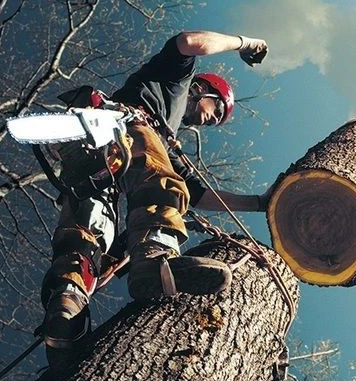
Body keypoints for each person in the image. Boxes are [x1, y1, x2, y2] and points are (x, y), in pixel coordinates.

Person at [40, 30, 269, 362]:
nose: (211, 122)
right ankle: (153, 260)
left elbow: (198, 194)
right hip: (123, 124)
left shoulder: (168, 142)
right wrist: (246, 43)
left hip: (91, 152)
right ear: (204, 90)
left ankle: (65, 308)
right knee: (160, 182)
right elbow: (190, 41)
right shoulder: (174, 80)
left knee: (89, 226)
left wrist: (258, 203)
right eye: (216, 112)